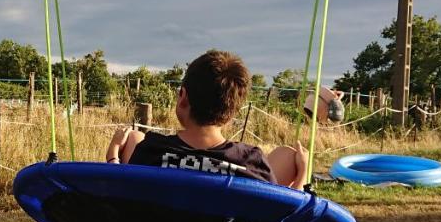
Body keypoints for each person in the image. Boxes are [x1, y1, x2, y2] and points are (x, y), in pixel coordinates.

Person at [105, 50, 309, 190]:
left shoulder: (151, 151)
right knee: (289, 157)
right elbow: (286, 218)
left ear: (183, 97)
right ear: (234, 111)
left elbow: (119, 194)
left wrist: (113, 153)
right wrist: (301, 177)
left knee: (133, 137)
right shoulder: (251, 164)